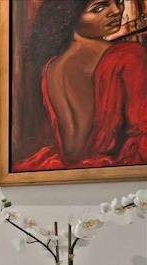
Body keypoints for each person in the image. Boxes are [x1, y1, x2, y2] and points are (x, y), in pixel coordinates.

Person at [13, 0, 147, 172]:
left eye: (119, 1)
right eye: (98, 8)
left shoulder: (51, 68)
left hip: (66, 170)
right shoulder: (129, 55)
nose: (116, 10)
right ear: (70, 17)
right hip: (112, 171)